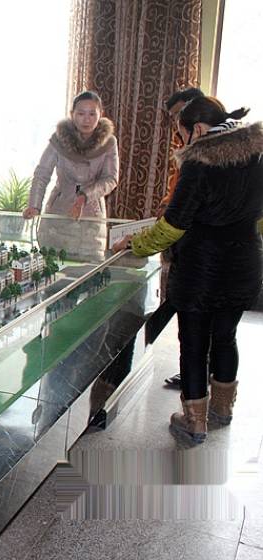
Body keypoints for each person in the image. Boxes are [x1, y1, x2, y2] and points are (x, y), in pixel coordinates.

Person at [114, 97, 263, 443]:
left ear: (197, 129)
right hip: (245, 264)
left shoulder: (199, 163)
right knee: (226, 336)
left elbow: (173, 225)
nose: (181, 142)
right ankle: (222, 409)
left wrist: (136, 244)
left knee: (194, 344)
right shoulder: (257, 155)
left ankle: (194, 421)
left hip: (201, 269)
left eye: (181, 135)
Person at [23, 91, 119, 261]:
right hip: (59, 210)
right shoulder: (59, 139)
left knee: (89, 267)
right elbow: (42, 173)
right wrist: (34, 206)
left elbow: (111, 178)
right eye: (81, 113)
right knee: (53, 264)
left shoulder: (109, 142)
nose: (86, 119)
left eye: (92, 114)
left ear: (100, 114)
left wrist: (84, 196)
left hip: (91, 212)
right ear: (72, 114)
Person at [161, 87, 205, 389]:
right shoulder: (189, 145)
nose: (177, 124)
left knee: (197, 327)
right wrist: (168, 202)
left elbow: (184, 209)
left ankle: (196, 392)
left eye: (179, 116)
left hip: (200, 252)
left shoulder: (203, 156)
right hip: (219, 255)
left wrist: (139, 243)